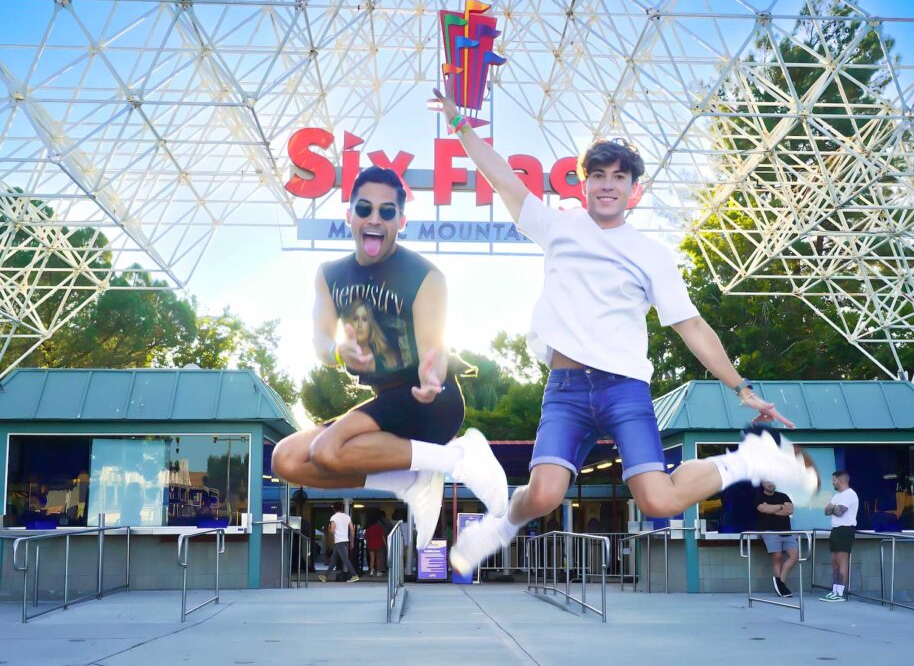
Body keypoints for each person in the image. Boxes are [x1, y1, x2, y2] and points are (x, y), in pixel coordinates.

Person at [429, 85, 820, 576]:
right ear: (584, 183)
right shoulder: (558, 227)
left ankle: (747, 461)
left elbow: (692, 325)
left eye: (619, 176)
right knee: (545, 493)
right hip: (566, 390)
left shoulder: (651, 254)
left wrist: (739, 387)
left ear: (634, 188)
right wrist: (459, 123)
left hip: (624, 390)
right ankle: (503, 524)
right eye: (597, 175)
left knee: (658, 502)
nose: (607, 184)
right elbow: (503, 178)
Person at [271, 166, 509, 551]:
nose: (374, 219)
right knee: (287, 460)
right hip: (385, 405)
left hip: (430, 402)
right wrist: (336, 350)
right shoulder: (330, 275)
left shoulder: (425, 276)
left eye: (386, 212)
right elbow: (319, 338)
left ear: (401, 221)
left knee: (327, 450)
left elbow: (433, 346)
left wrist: (432, 372)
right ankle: (412, 478)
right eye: (364, 209)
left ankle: (459, 458)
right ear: (349, 214)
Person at [820, 470, 858, 602]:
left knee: (842, 561)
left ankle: (840, 592)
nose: (832, 483)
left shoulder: (849, 494)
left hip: (845, 530)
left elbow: (839, 512)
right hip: (835, 530)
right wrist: (833, 507)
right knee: (835, 561)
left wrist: (833, 507)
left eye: (833, 480)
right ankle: (834, 590)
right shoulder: (837, 496)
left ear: (841, 480)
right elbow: (826, 511)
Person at [755, 481, 796, 598]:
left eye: (773, 480)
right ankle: (780, 584)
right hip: (770, 531)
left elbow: (790, 510)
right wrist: (781, 507)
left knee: (794, 556)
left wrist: (771, 509)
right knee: (777, 557)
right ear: (763, 483)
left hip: (786, 531)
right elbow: (763, 509)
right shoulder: (759, 496)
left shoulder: (783, 496)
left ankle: (780, 582)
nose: (771, 483)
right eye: (768, 481)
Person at [320, 502, 360, 583]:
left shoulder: (333, 517)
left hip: (339, 541)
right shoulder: (347, 516)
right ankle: (325, 576)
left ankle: (354, 575)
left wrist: (328, 528)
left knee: (345, 559)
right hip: (345, 540)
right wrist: (352, 541)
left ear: (334, 509)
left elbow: (332, 530)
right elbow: (352, 530)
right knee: (333, 560)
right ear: (341, 508)